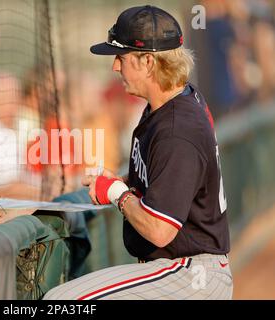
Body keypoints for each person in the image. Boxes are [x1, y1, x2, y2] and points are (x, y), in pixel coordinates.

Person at [44, 5, 232, 300]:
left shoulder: (176, 128)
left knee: (63, 301)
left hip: (191, 273)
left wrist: (118, 193)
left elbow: (160, 230)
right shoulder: (171, 103)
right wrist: (121, 182)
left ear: (147, 61)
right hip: (181, 268)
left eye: (121, 57)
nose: (114, 67)